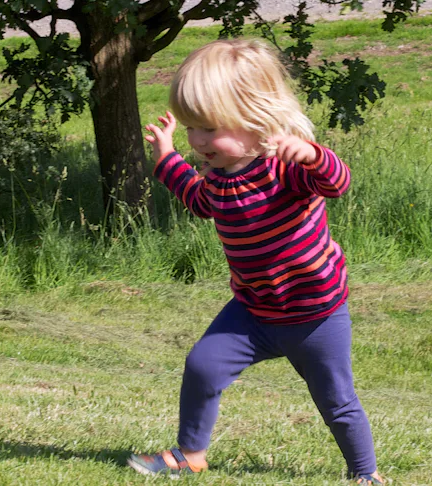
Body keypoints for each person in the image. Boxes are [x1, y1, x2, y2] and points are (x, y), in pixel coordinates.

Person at [127, 39, 384, 484]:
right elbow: (195, 197)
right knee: (202, 366)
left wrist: (314, 154)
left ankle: (365, 474)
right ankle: (191, 453)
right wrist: (166, 154)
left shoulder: (285, 166)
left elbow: (337, 184)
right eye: (192, 128)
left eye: (209, 128)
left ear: (254, 116)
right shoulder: (219, 179)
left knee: (336, 400)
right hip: (253, 311)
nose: (199, 141)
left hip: (315, 314)